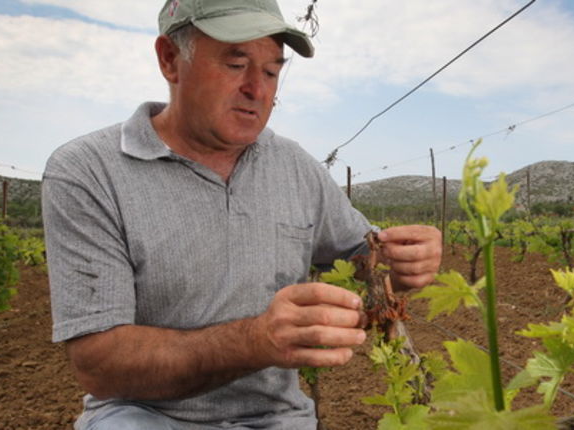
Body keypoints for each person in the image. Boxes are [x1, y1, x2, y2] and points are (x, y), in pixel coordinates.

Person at [41, 0, 442, 429]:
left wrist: (403, 265)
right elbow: (100, 364)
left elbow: (365, 262)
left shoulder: (295, 167)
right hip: (142, 415)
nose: (258, 89)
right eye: (236, 65)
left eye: (271, 72)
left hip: (278, 418)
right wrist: (257, 340)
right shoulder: (87, 171)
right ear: (170, 60)